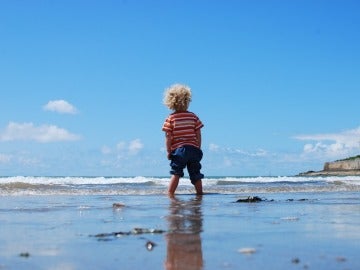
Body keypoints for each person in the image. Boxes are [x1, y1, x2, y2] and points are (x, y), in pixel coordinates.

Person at [162, 83, 204, 195]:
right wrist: (198, 147)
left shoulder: (170, 118)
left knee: (176, 173)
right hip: (194, 149)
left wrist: (169, 151)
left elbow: (168, 137)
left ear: (171, 102)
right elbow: (198, 133)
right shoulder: (193, 116)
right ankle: (200, 194)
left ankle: (170, 193)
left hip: (179, 151)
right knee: (195, 173)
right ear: (187, 101)